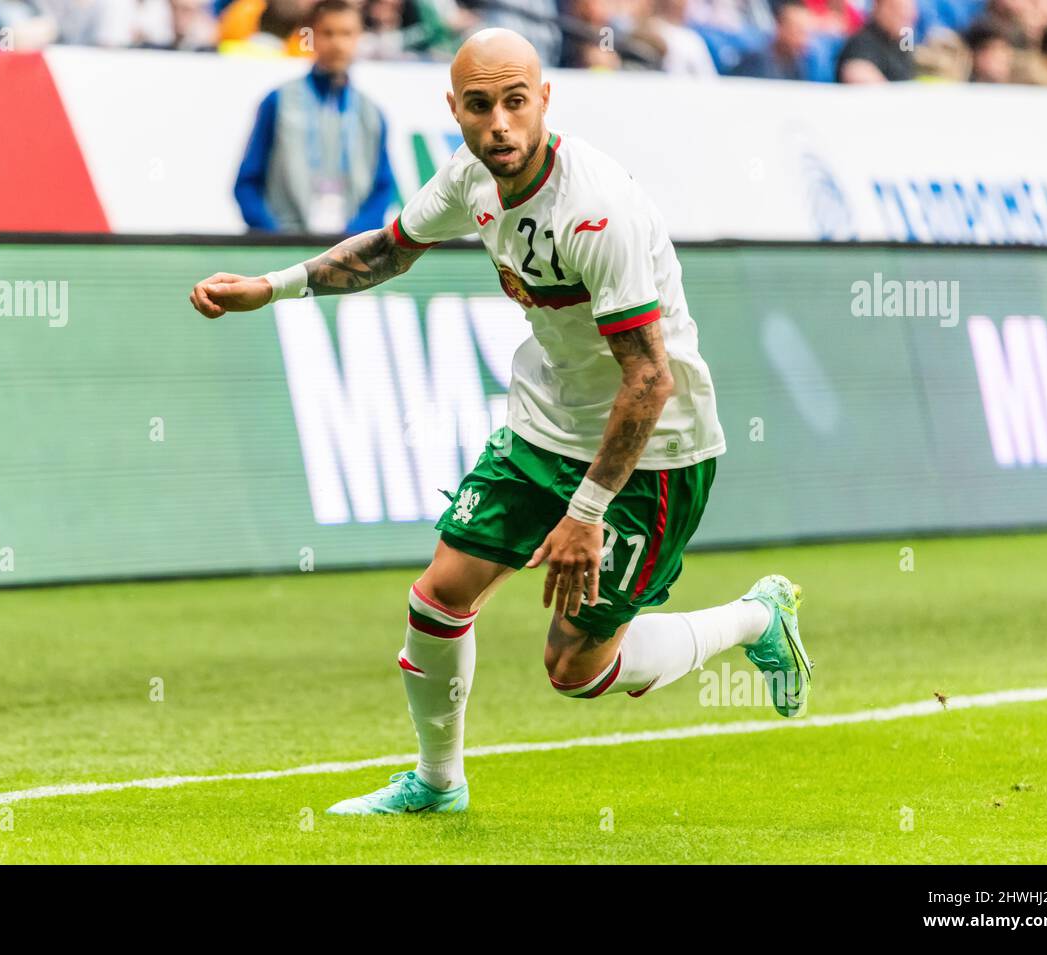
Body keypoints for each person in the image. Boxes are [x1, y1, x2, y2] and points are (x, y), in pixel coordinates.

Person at [190, 27, 813, 816]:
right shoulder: (470, 176)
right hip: (546, 424)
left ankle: (758, 615)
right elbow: (388, 250)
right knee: (438, 596)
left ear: (545, 99)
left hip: (653, 452)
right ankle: (439, 783)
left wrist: (587, 512)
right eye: (480, 107)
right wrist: (270, 287)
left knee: (575, 669)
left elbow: (649, 379)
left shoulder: (595, 210)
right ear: (454, 109)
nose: (500, 126)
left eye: (516, 102)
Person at [233, 0, 397, 234]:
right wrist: (273, 235)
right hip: (285, 246)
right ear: (309, 37)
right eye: (327, 33)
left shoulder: (371, 113)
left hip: (348, 251)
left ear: (359, 37)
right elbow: (247, 182)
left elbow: (383, 186)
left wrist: (356, 240)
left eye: (347, 34)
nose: (337, 43)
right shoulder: (279, 101)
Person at [836, 0, 917, 82]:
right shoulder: (863, 42)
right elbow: (855, 71)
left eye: (908, 9)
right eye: (897, 8)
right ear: (878, 8)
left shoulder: (903, 41)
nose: (905, 14)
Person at [732, 0, 811, 79]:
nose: (803, 40)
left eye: (805, 33)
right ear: (780, 28)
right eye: (797, 31)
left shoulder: (798, 64)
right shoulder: (756, 62)